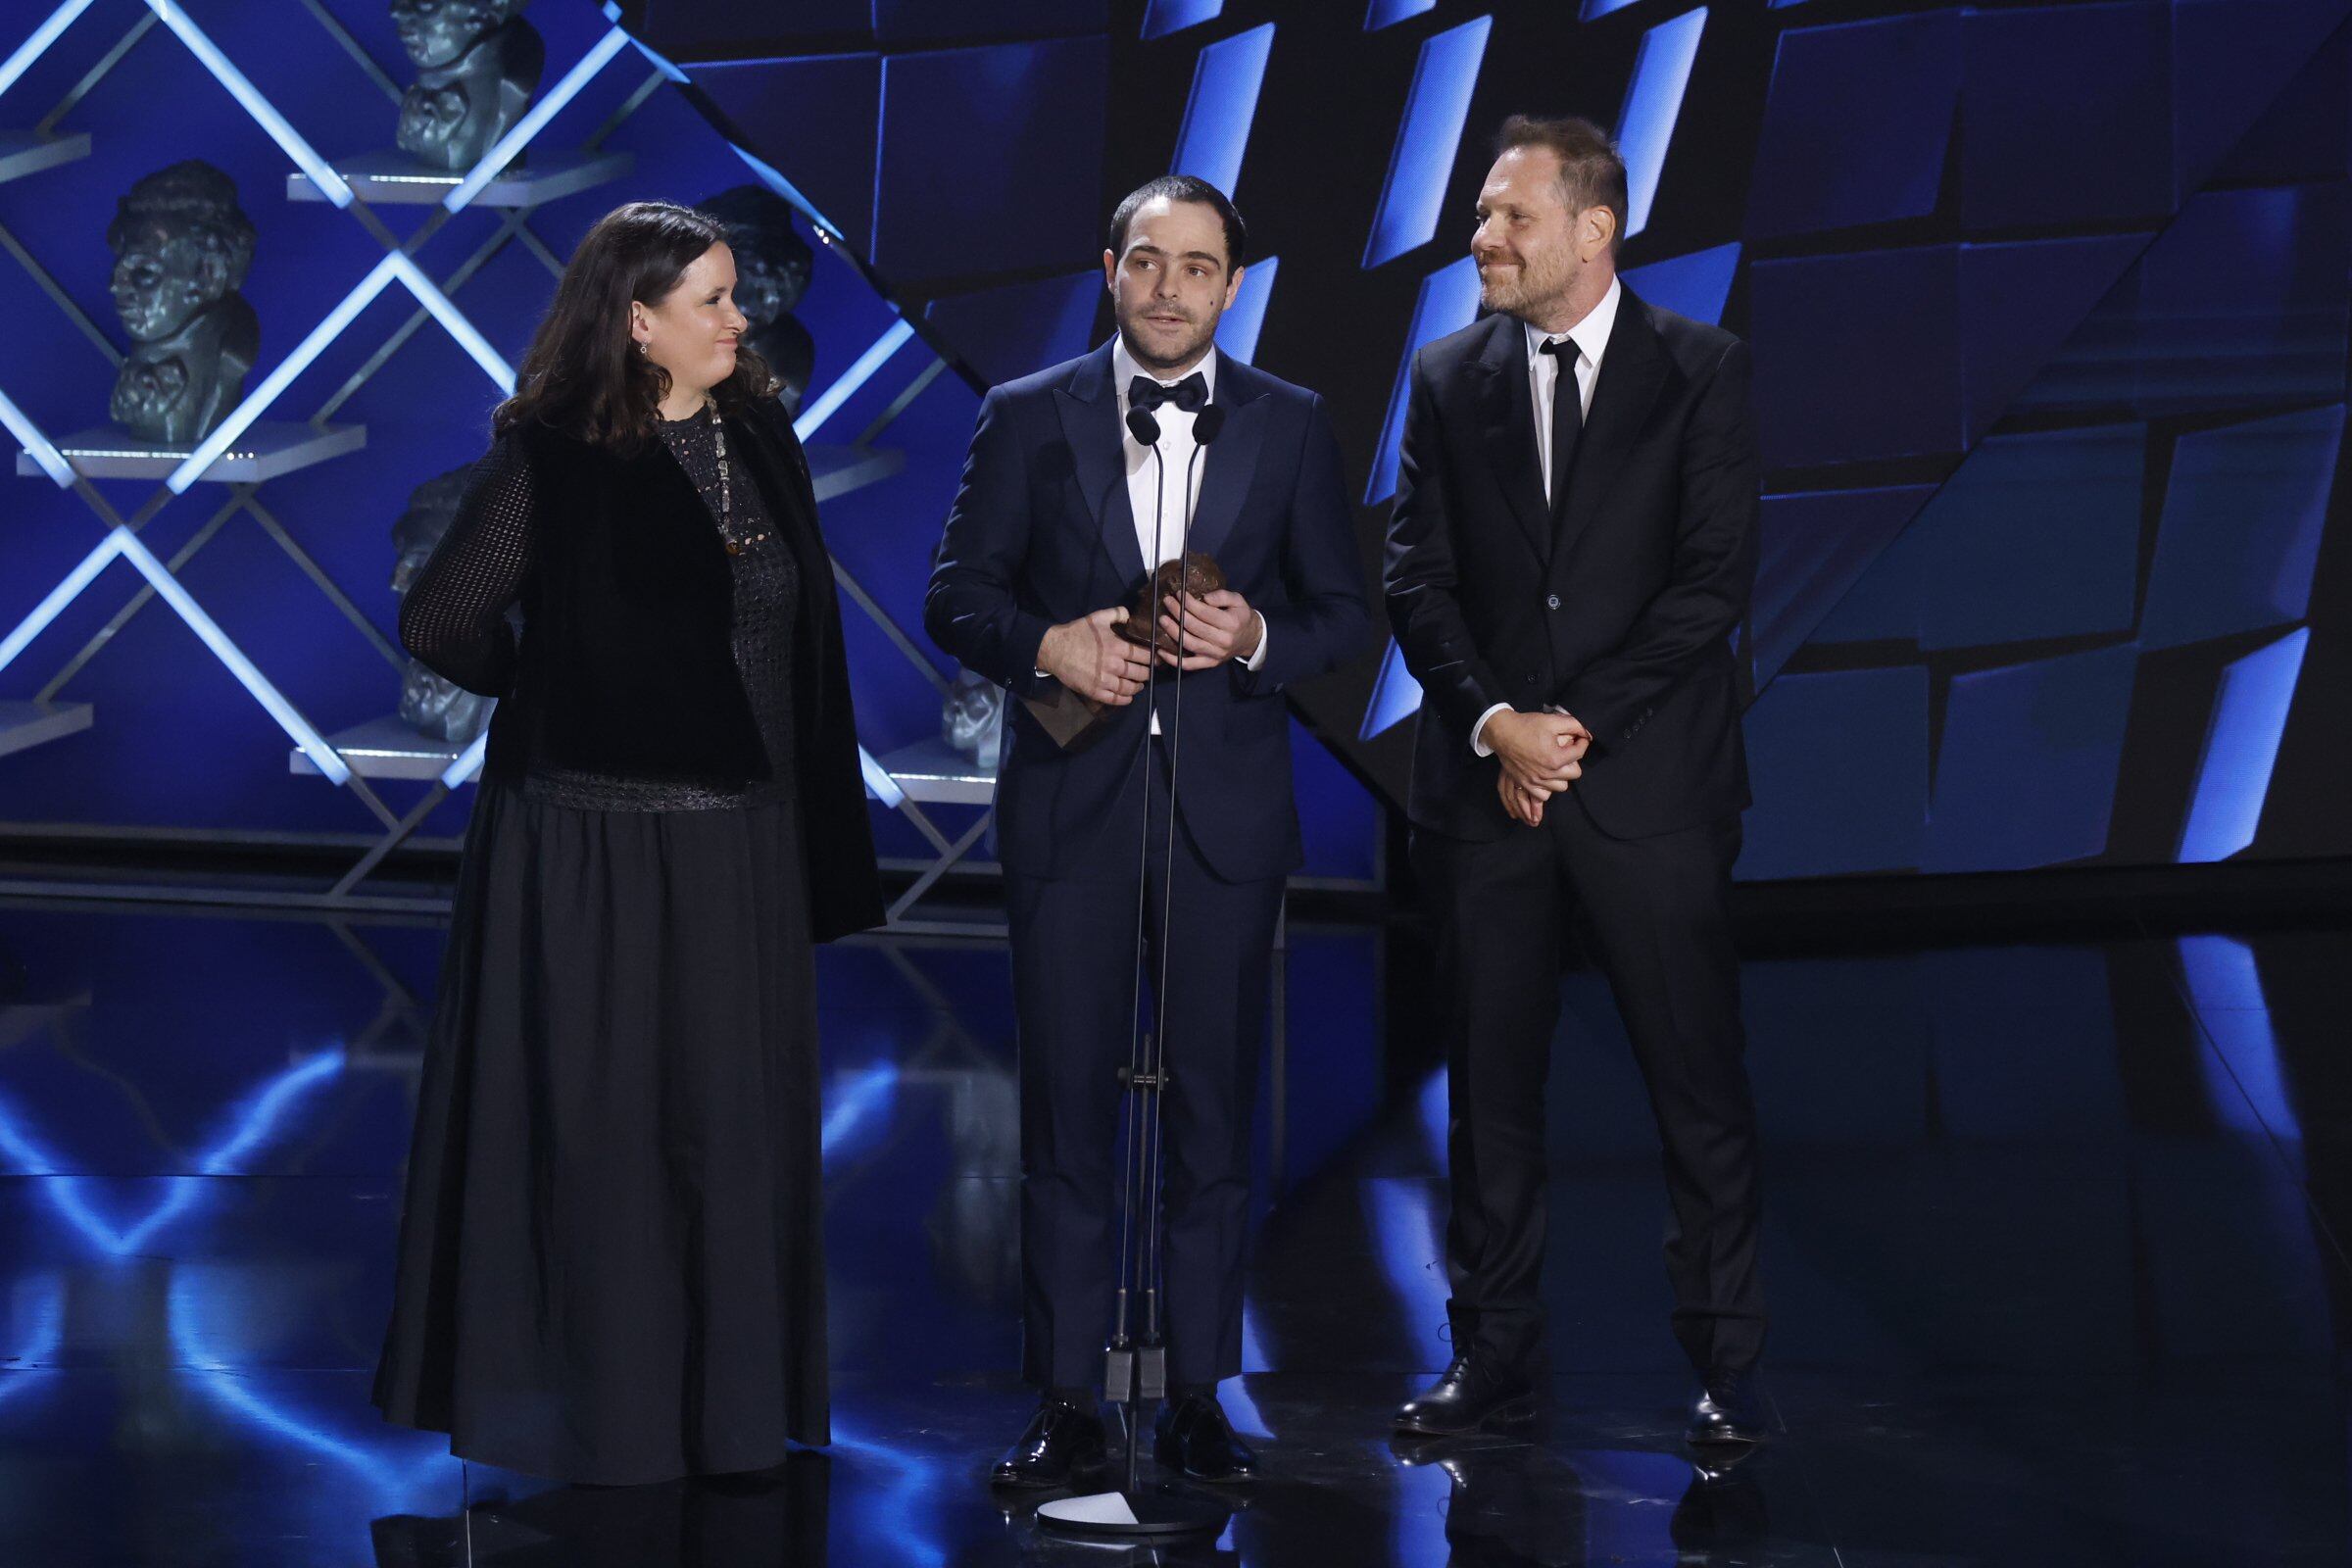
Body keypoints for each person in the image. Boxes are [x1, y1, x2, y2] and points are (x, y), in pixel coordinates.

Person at [373, 200, 883, 1485]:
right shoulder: (554, 453)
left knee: (728, 1131)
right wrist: (547, 686)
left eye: (734, 294)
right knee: (612, 1133)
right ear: (636, 321)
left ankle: (719, 1411)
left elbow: (791, 628)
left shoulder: (762, 429)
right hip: (602, 849)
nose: (739, 316)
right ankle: (612, 1418)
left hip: (748, 842)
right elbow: (440, 621)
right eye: (710, 300)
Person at [926, 174, 1372, 1486]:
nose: (1170, 287)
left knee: (1214, 1119)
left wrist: (1260, 637)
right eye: (1147, 263)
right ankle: (1067, 1394)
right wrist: (1042, 640)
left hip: (1224, 822)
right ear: (1110, 272)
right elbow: (957, 594)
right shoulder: (1025, 418)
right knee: (1066, 1115)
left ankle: (1191, 1390)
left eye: (1198, 266)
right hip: (1072, 810)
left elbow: (1344, 615)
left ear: (1233, 285)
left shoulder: (1291, 425)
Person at [1383, 116, 1766, 1446]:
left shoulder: (1700, 370)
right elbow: (1414, 576)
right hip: (1488, 795)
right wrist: (1496, 722)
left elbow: (1710, 582)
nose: (1482, 239)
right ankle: (1491, 1353)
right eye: (1485, 217)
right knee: (1489, 1091)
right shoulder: (1445, 374)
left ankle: (1725, 1361)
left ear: (1594, 231)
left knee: (1694, 1082)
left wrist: (1567, 728)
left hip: (1645, 786)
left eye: (1510, 218)